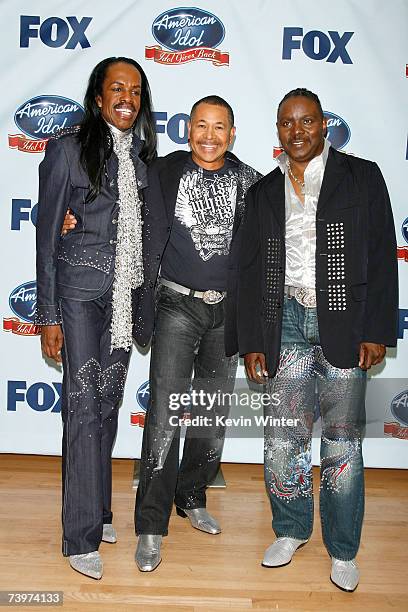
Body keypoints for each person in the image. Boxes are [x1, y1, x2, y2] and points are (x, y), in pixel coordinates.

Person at [235, 88, 398, 591]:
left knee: (343, 440)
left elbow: (381, 254)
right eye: (287, 123)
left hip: (345, 323)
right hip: (282, 320)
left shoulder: (362, 176)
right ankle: (290, 529)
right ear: (278, 131)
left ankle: (343, 549)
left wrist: (376, 330)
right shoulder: (263, 191)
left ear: (324, 125)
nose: (297, 131)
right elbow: (250, 270)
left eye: (306, 121)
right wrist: (253, 340)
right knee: (284, 435)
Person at [35, 56, 157, 579]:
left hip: (123, 299)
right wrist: (46, 314)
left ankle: (101, 509)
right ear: (98, 99)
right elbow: (45, 235)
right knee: (83, 411)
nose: (126, 97)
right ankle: (79, 537)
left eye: (134, 89)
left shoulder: (145, 157)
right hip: (79, 296)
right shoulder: (67, 150)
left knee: (106, 407)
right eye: (117, 89)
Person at [132, 95, 262, 571]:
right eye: (201, 125)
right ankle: (150, 523)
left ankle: (192, 494)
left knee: (211, 413)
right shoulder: (161, 172)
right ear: (187, 129)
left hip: (226, 313)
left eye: (220, 127)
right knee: (165, 413)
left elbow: (266, 252)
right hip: (174, 304)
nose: (209, 135)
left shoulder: (251, 182)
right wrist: (70, 218)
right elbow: (117, 205)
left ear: (233, 132)